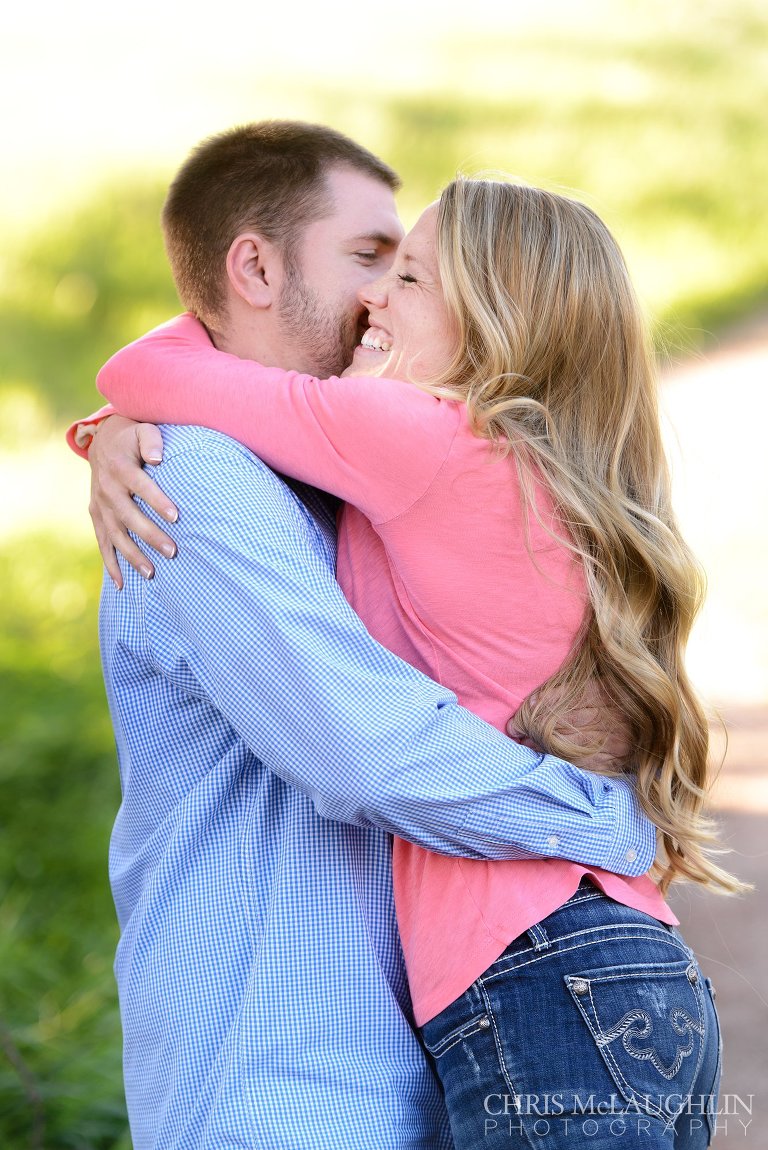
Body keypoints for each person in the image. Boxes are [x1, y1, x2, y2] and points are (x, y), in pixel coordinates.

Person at [85, 172, 743, 1149]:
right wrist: (111, 439)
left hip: (543, 974)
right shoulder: (523, 466)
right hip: (628, 974)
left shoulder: (424, 443)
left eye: (412, 279)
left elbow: (153, 371)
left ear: (494, 323)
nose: (371, 298)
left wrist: (117, 421)